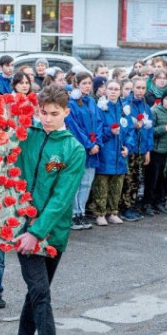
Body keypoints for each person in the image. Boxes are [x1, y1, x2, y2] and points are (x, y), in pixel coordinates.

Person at [12, 85, 84, 335]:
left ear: (66, 111)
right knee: (40, 291)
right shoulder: (26, 136)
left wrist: (38, 232)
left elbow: (62, 198)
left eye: (54, 114)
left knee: (37, 292)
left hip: (53, 233)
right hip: (22, 228)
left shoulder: (73, 149)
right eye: (43, 113)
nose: (48, 119)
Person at [91, 79, 132, 226]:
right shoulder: (101, 109)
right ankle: (100, 213)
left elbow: (130, 131)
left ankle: (113, 211)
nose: (113, 91)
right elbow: (97, 131)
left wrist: (128, 147)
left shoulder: (124, 109)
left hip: (120, 156)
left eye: (116, 89)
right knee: (102, 185)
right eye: (110, 89)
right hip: (105, 153)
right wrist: (109, 132)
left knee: (117, 186)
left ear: (120, 91)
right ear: (105, 91)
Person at [65, 72, 100, 230]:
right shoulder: (71, 103)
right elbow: (74, 127)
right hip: (80, 148)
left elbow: (99, 122)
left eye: (89, 83)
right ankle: (73, 214)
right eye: (84, 83)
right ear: (77, 84)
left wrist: (96, 142)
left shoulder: (92, 102)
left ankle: (81, 212)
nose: (87, 86)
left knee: (87, 183)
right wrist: (88, 144)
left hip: (93, 148)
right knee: (77, 182)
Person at [120, 77, 153, 219]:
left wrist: (148, 150)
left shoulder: (146, 107)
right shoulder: (126, 105)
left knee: (136, 179)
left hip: (142, 147)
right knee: (128, 179)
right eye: (138, 88)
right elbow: (124, 127)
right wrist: (133, 125)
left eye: (143, 88)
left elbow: (149, 129)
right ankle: (125, 207)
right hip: (131, 148)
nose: (140, 91)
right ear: (132, 88)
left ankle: (132, 205)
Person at [145, 89, 167, 214]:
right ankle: (147, 203)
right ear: (162, 100)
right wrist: (163, 128)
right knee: (152, 178)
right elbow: (150, 131)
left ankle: (159, 202)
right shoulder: (155, 112)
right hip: (156, 150)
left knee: (164, 179)